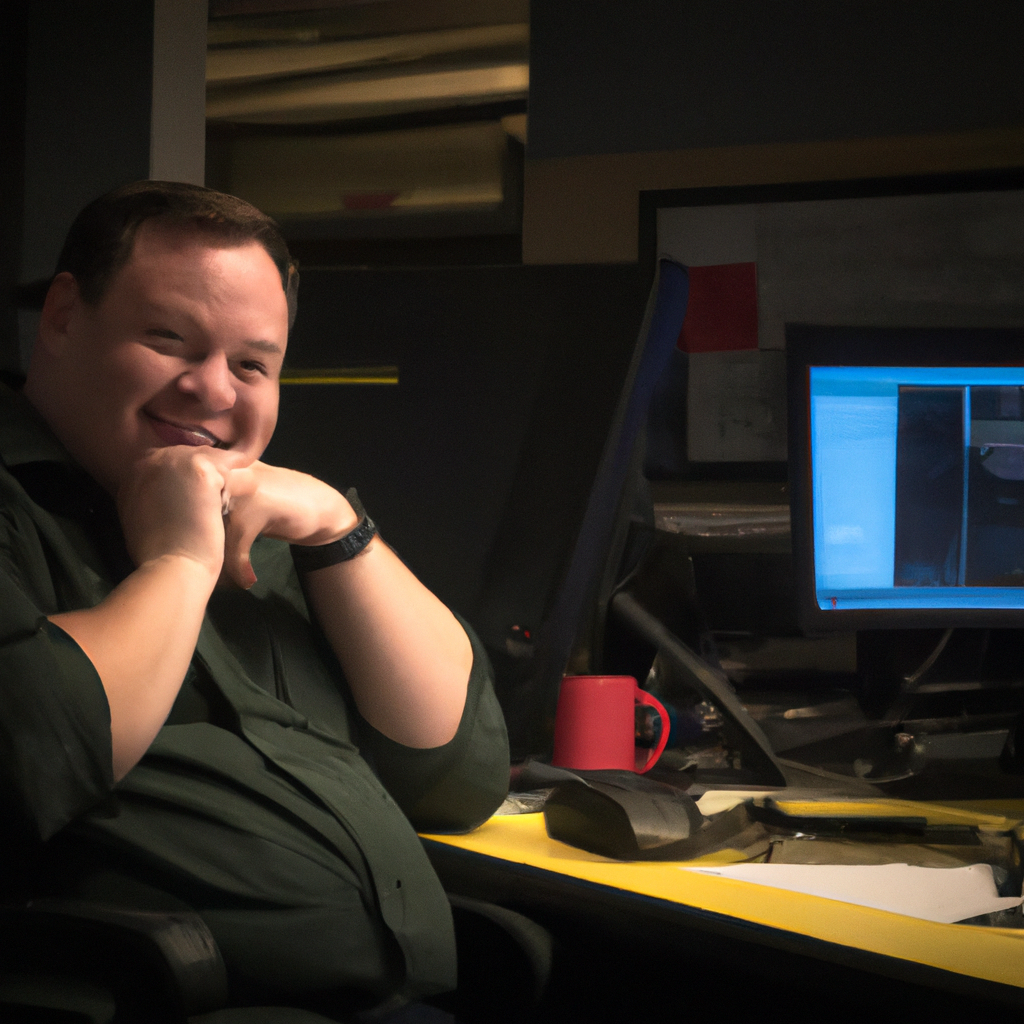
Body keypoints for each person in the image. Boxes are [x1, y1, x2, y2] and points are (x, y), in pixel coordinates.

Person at [0, 181, 510, 1015]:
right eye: (168, 340)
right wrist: (179, 562)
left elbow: (456, 780)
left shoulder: (262, 523)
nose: (214, 391)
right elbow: (30, 760)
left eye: (251, 365)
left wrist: (339, 528)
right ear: (62, 315)